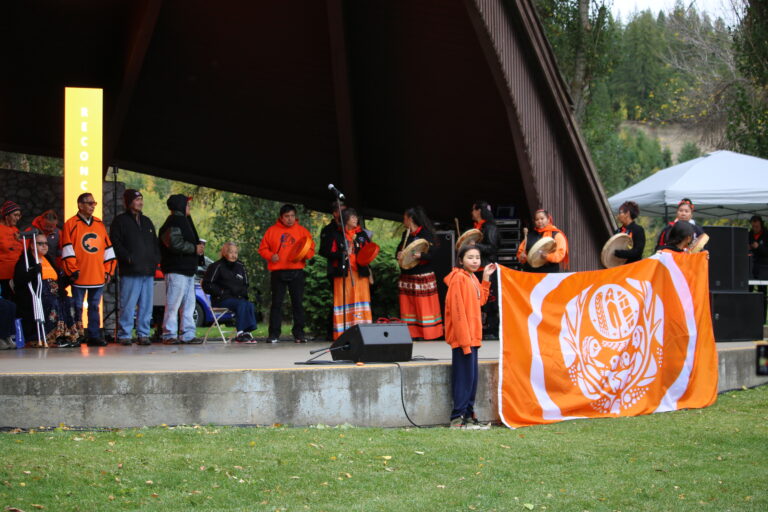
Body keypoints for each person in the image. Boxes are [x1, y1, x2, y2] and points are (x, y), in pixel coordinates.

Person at [444, 245, 496, 428]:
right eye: (470, 257)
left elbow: (480, 300)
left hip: (472, 337)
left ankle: (468, 415)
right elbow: (457, 313)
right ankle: (457, 418)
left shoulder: (472, 277)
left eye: (477, 257)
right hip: (463, 339)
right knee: (464, 379)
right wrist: (465, 342)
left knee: (471, 380)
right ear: (460, 260)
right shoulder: (458, 279)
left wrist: (486, 277)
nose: (475, 260)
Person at [61, 192, 116, 346]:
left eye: (94, 203)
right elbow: (67, 248)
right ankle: (77, 335)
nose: (92, 206)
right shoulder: (71, 224)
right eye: (89, 203)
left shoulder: (99, 224)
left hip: (97, 275)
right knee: (77, 306)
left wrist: (108, 270)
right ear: (80, 205)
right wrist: (73, 270)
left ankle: (94, 335)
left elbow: (108, 250)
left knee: (94, 306)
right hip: (79, 275)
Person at [110, 189, 161, 346]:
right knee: (128, 304)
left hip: (147, 270)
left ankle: (143, 334)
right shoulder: (120, 221)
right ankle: (125, 334)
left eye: (141, 199)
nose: (140, 202)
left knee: (146, 305)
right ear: (129, 202)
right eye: (137, 199)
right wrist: (128, 258)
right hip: (131, 270)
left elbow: (155, 243)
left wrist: (155, 260)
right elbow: (115, 243)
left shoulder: (147, 221)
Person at [258, 204, 315, 343]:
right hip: (278, 271)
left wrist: (304, 255)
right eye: (287, 216)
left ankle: (299, 334)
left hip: (297, 271)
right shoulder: (272, 231)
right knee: (277, 303)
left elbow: (311, 249)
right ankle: (274, 334)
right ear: (281, 217)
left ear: (296, 217)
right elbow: (262, 249)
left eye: (292, 216)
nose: (290, 219)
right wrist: (271, 256)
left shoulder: (302, 231)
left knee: (298, 303)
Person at [13, 232, 77, 347]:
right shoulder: (25, 261)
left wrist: (69, 279)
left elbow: (59, 281)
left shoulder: (49, 260)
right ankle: (52, 337)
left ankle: (69, 335)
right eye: (40, 243)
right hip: (38, 295)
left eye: (46, 244)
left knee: (70, 301)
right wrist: (34, 271)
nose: (45, 246)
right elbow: (19, 281)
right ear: (32, 246)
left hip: (55, 293)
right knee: (53, 303)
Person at [158, 194, 205, 345]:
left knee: (189, 305)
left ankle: (188, 334)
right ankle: (169, 334)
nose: (189, 207)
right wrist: (194, 248)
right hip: (176, 270)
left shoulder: (183, 221)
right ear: (180, 206)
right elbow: (174, 243)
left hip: (187, 270)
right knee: (173, 304)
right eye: (187, 204)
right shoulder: (173, 222)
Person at [396, 206, 444, 340]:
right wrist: (399, 254)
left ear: (410, 219)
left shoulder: (426, 234)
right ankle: (412, 333)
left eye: (405, 218)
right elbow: (399, 250)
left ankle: (428, 333)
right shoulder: (406, 234)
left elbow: (433, 255)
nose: (403, 220)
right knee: (409, 305)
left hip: (422, 275)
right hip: (408, 275)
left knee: (423, 305)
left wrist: (420, 255)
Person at [328, 208, 373, 339]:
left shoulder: (362, 235)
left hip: (359, 273)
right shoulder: (336, 235)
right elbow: (328, 253)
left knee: (361, 299)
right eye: (352, 217)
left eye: (356, 217)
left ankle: (364, 333)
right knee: (344, 300)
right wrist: (343, 253)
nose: (355, 219)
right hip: (343, 273)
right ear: (345, 220)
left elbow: (369, 251)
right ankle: (343, 333)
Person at [202, 242, 257, 343]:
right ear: (224, 253)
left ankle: (247, 332)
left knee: (249, 304)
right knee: (242, 304)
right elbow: (207, 285)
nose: (234, 255)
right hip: (221, 299)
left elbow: (245, 284)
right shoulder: (216, 266)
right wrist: (221, 292)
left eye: (236, 252)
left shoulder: (241, 266)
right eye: (231, 252)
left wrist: (242, 294)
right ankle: (240, 333)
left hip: (237, 299)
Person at [470, 200, 500, 339]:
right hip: (477, 268)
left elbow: (492, 248)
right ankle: (480, 328)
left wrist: (475, 245)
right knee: (478, 299)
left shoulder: (489, 227)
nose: (472, 213)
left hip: (487, 268)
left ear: (478, 211)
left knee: (490, 299)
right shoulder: (478, 227)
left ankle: (493, 329)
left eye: (473, 210)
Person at [318, 200, 346, 339]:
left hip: (352, 270)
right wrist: (341, 254)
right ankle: (333, 331)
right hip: (335, 269)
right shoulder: (328, 230)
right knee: (338, 301)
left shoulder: (350, 228)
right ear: (335, 213)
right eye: (341, 211)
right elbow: (323, 251)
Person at [0, 201, 24, 300]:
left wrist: (21, 241)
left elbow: (21, 250)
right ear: (6, 216)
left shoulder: (15, 230)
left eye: (19, 215)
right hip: (2, 276)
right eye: (15, 215)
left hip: (16, 275)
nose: (18, 218)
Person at [748, 215, 768, 321]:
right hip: (750, 267)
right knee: (748, 291)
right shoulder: (749, 234)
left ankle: (762, 318)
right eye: (753, 226)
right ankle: (748, 316)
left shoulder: (766, 234)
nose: (755, 228)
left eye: (757, 226)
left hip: (763, 268)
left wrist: (759, 247)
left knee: (762, 293)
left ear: (761, 224)